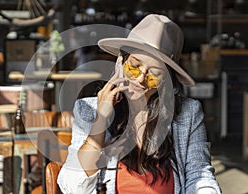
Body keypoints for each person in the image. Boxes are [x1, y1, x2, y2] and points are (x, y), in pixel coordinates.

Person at [57, 14, 221, 194]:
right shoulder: (88, 110)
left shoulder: (188, 113)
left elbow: (200, 176)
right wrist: (101, 120)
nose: (141, 80)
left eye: (154, 75)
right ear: (120, 62)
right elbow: (73, 187)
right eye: (134, 67)